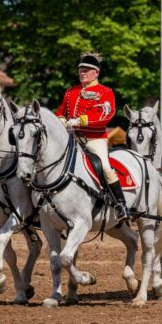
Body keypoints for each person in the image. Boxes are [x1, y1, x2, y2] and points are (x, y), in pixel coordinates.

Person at [56, 51, 127, 221]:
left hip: (94, 140)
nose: (83, 72)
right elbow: (60, 112)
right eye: (81, 69)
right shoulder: (71, 92)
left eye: (87, 70)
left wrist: (78, 121)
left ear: (97, 73)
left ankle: (120, 204)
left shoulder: (105, 92)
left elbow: (104, 116)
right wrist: (61, 121)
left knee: (105, 167)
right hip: (72, 140)